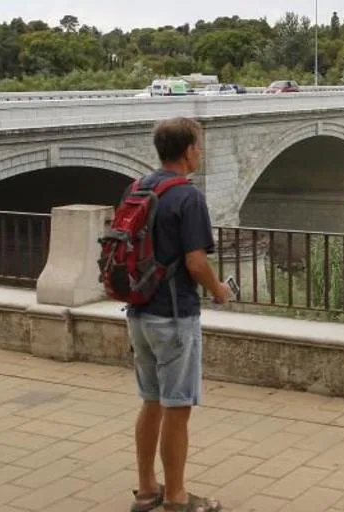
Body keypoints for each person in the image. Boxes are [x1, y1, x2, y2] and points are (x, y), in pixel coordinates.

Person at [127, 117, 231, 512]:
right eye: (199, 146)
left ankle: (146, 489)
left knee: (151, 401)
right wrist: (218, 289)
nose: (200, 153)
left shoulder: (137, 188)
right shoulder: (188, 197)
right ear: (188, 151)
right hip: (173, 317)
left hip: (139, 313)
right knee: (177, 406)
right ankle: (176, 496)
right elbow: (195, 261)